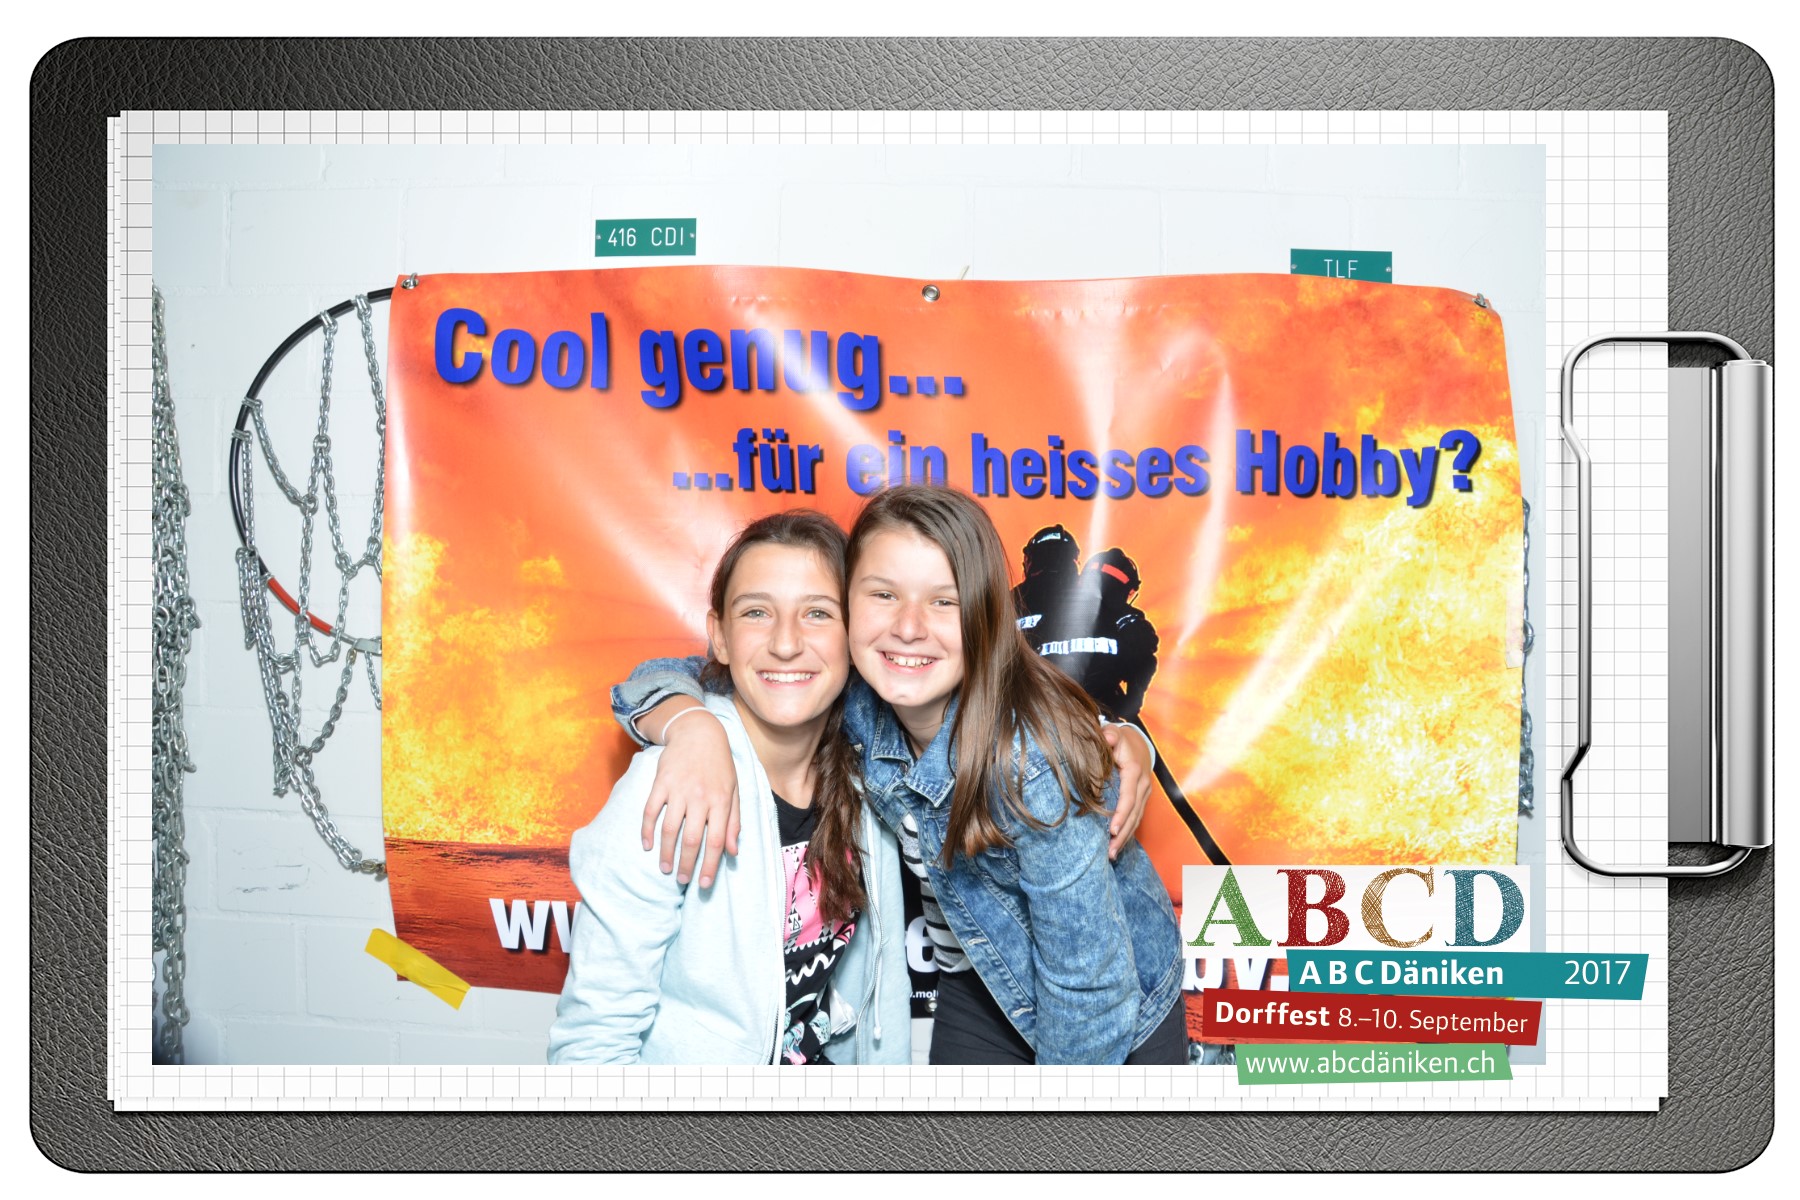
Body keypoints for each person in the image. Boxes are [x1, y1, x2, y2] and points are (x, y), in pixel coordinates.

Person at [612, 486, 1185, 1066]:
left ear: (984, 616)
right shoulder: (855, 698)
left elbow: (1089, 992)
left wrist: (1126, 739)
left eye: (943, 601)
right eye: (884, 594)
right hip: (982, 978)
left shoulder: (1031, 765)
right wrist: (692, 727)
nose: (909, 628)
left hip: (1114, 1005)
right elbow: (680, 672)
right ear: (847, 609)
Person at [548, 511, 910, 1065]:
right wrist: (690, 724)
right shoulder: (670, 785)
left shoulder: (869, 783)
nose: (785, 643)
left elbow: (876, 1006)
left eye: (817, 612)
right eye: (756, 612)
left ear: (854, 634)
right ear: (719, 635)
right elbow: (592, 1046)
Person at [1033, 547, 1161, 723]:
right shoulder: (1124, 617)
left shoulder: (1053, 610)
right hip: (1098, 711)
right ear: (1124, 588)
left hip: (1045, 708)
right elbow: (1145, 656)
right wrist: (1132, 702)